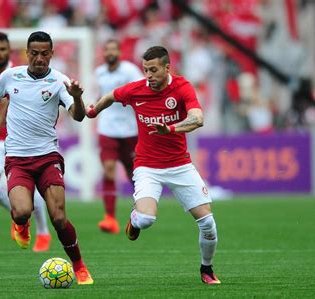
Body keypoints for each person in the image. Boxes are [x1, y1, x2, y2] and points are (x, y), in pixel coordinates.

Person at [86, 46, 221, 285]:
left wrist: (170, 128)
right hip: (147, 166)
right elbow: (110, 96)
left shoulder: (182, 87)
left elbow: (198, 118)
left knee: (208, 223)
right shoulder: (136, 90)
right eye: (145, 70)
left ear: (167, 68)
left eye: (153, 70)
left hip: (181, 165)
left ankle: (206, 269)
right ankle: (135, 219)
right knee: (147, 220)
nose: (148, 75)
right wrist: (94, 110)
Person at [0, 31, 93, 284]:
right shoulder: (10, 76)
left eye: (44, 53)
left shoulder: (60, 81)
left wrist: (78, 97)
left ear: (51, 54)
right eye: (34, 53)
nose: (39, 58)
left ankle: (79, 266)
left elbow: (78, 116)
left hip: (48, 157)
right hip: (17, 159)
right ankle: (21, 224)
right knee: (22, 211)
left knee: (58, 217)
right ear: (27, 53)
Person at [0, 31, 52, 252]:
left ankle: (42, 232)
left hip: (22, 141)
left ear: (9, 51)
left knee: (32, 191)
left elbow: (6, 103)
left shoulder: (20, 73)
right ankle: (18, 215)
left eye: (2, 49)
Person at [94, 39, 143, 234]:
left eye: (114, 49)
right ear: (103, 53)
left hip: (130, 130)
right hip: (107, 129)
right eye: (107, 49)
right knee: (108, 170)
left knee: (135, 175)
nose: (110, 53)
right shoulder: (98, 73)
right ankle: (110, 218)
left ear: (120, 52)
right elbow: (95, 96)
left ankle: (139, 211)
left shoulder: (130, 71)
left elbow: (142, 89)